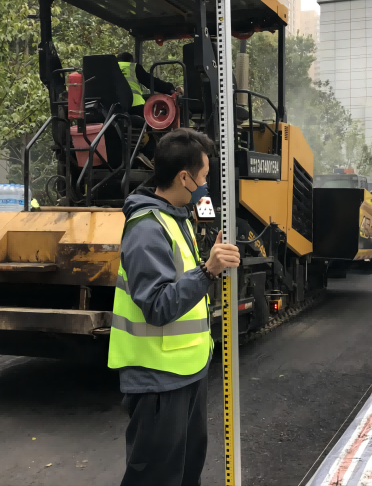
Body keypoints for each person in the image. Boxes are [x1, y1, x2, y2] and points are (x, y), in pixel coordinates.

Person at [108, 127, 240, 486]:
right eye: (204, 177)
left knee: (184, 473)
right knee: (157, 477)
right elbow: (157, 305)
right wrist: (208, 270)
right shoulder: (147, 228)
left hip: (185, 372)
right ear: (184, 178)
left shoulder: (175, 219)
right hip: (158, 380)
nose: (206, 185)